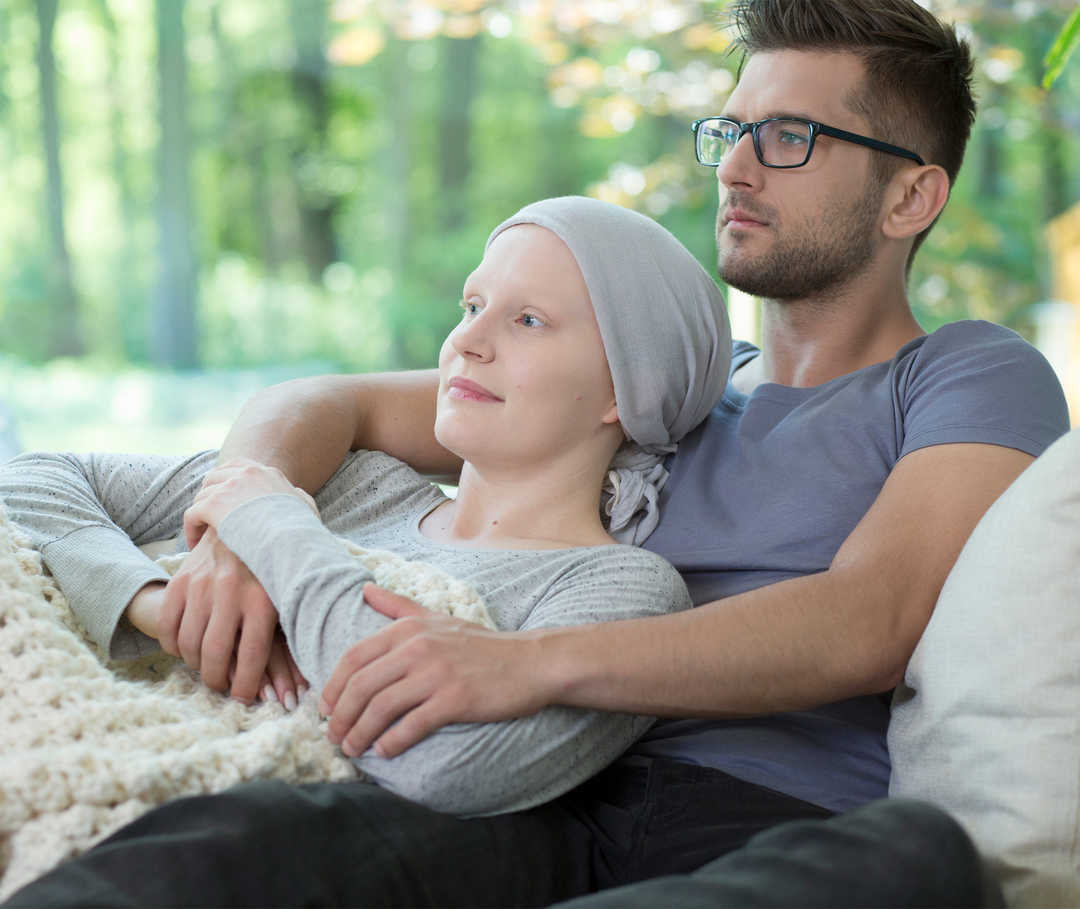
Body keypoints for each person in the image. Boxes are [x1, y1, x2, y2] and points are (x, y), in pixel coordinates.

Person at [2, 0, 1069, 906]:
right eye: (729, 131)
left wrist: (525, 665)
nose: (737, 168)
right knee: (238, 847)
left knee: (918, 861)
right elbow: (326, 400)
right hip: (539, 791)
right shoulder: (664, 390)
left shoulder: (968, 373)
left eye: (790, 137)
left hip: (763, 815)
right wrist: (236, 532)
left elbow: (870, 622)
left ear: (910, 196)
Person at [0, 195, 732, 818]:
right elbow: (33, 481)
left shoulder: (620, 590)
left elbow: (454, 767)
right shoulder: (357, 481)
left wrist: (275, 530)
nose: (467, 341)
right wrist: (159, 606)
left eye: (528, 320)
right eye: (472, 305)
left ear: (625, 390)